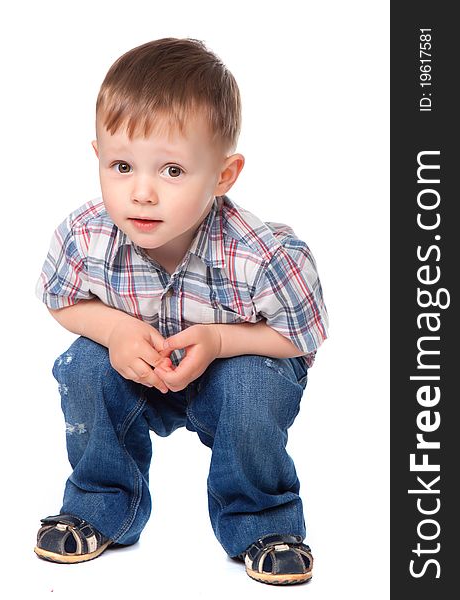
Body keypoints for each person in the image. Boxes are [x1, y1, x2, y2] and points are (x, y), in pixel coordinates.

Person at [34, 37, 328, 586]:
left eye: (171, 171)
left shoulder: (259, 254)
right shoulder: (87, 234)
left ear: (223, 175)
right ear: (97, 157)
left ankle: (262, 521)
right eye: (122, 165)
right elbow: (61, 298)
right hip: (137, 370)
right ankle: (99, 504)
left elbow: (300, 335)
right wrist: (115, 329)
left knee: (251, 385)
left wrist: (219, 342)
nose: (142, 192)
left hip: (231, 370)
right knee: (83, 365)